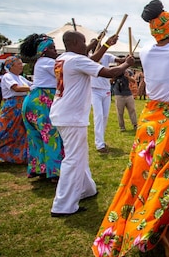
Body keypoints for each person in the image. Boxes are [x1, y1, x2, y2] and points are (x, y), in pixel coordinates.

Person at [93, 0, 169, 257]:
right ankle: (161, 231)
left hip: (150, 123)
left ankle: (147, 226)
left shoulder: (147, 51)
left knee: (143, 179)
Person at [49, 31, 134, 217]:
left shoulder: (64, 58)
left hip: (63, 113)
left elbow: (92, 59)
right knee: (73, 159)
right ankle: (63, 205)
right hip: (70, 116)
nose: (85, 45)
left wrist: (106, 45)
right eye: (83, 42)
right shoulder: (76, 60)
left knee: (79, 154)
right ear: (74, 42)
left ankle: (87, 189)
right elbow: (110, 72)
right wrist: (127, 63)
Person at [19, 34, 64, 182]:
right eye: (51, 48)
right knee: (52, 135)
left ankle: (40, 168)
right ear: (43, 51)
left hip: (32, 101)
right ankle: (55, 172)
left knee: (36, 137)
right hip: (42, 102)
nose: (55, 50)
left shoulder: (40, 62)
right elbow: (66, 71)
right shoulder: (47, 62)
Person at [90, 45, 126, 153]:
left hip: (106, 90)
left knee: (105, 116)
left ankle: (101, 139)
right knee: (99, 116)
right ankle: (99, 144)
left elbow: (119, 60)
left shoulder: (106, 56)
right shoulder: (89, 58)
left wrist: (126, 60)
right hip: (94, 90)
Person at [0, 56, 32, 164]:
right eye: (18, 64)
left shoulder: (21, 78)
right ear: (10, 66)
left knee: (20, 132)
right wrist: (33, 87)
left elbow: (31, 84)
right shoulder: (8, 76)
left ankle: (17, 155)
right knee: (5, 130)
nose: (21, 66)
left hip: (21, 106)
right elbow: (16, 88)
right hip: (12, 107)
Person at [111, 69, 138, 133]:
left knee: (132, 110)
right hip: (118, 94)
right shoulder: (115, 70)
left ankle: (135, 125)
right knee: (120, 112)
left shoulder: (128, 71)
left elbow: (134, 81)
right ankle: (122, 127)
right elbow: (110, 81)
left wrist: (127, 76)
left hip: (128, 94)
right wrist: (115, 76)